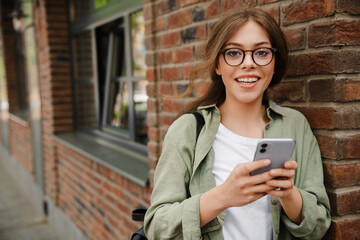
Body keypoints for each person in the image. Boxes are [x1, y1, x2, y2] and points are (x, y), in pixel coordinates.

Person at [144, 8, 331, 240]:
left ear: (274, 63)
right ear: (217, 65)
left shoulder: (295, 125)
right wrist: (222, 196)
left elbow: (319, 225)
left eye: (261, 52)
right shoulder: (187, 130)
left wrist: (289, 194)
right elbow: (156, 227)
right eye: (234, 53)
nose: (249, 63)